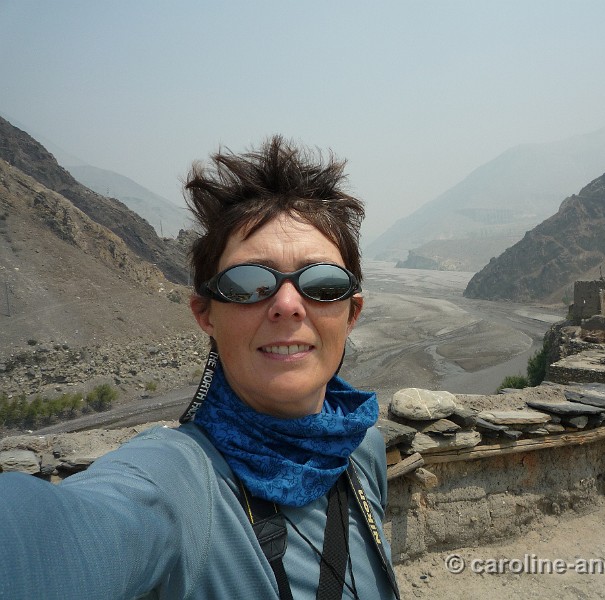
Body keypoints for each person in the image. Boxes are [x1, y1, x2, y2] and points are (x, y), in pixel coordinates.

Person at [0, 136, 399, 600]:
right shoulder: (179, 481)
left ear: (351, 313)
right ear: (205, 314)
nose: (288, 304)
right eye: (248, 283)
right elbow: (50, 540)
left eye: (323, 283)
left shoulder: (361, 449)